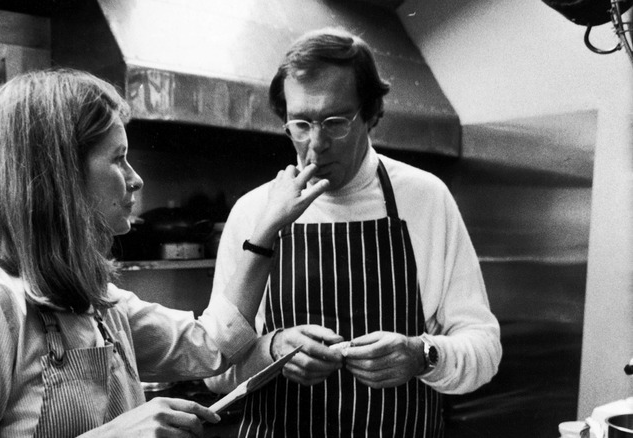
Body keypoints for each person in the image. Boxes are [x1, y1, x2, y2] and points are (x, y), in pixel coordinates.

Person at [0, 69, 328, 438]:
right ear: (60, 175)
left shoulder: (96, 303)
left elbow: (210, 345)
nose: (136, 180)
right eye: (119, 159)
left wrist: (267, 231)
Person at [204, 27, 502, 437]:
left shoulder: (426, 199)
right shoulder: (254, 212)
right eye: (300, 124)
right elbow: (213, 370)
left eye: (335, 122)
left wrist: (422, 354)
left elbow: (484, 349)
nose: (316, 144)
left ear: (371, 114)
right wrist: (271, 351)